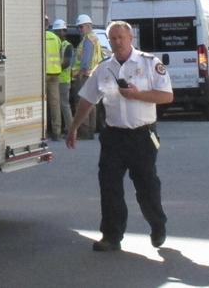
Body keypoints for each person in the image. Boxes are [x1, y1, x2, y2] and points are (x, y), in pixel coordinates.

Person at [65, 20, 174, 252]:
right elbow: (88, 99)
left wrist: (137, 95)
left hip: (142, 135)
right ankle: (111, 236)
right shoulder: (103, 68)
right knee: (109, 186)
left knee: (147, 186)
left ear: (130, 38)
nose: (117, 42)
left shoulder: (149, 63)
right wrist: (74, 127)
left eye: (121, 38)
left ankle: (157, 225)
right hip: (114, 136)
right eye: (113, 38)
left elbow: (166, 96)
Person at [68, 14, 102, 139]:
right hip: (93, 75)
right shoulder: (94, 38)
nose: (79, 30)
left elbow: (86, 59)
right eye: (78, 27)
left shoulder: (88, 40)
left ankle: (84, 131)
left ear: (88, 26)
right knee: (91, 103)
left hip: (85, 75)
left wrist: (81, 72)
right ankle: (90, 131)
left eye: (81, 27)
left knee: (81, 103)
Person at [45, 19, 67, 138]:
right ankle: (56, 132)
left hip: (44, 73)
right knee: (55, 104)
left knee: (42, 103)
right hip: (56, 73)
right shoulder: (56, 38)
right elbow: (61, 55)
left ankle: (44, 130)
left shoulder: (40, 37)